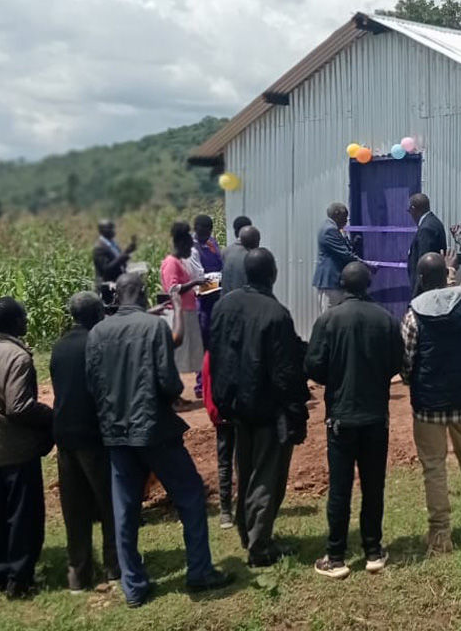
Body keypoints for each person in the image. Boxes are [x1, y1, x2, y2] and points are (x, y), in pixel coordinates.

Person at [85, 272, 233, 607]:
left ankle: (134, 586)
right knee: (190, 495)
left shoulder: (97, 333)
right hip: (153, 430)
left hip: (116, 433)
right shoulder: (152, 328)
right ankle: (199, 571)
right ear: (141, 295)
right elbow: (170, 384)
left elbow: (92, 387)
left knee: (125, 509)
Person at [210, 248, 310, 567]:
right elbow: (284, 372)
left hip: (235, 406)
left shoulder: (223, 306)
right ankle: (260, 547)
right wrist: (297, 410)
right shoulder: (275, 313)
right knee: (267, 476)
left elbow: (217, 353)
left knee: (245, 470)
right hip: (267, 408)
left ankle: (246, 531)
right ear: (272, 274)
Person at [306, 262, 404, 579]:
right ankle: (373, 551)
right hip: (376, 417)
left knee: (340, 488)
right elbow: (396, 364)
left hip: (341, 418)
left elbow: (314, 367)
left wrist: (337, 376)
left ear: (342, 285)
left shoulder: (328, 320)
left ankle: (336, 557)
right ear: (368, 285)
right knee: (374, 486)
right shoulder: (387, 320)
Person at [400, 253, 461, 554]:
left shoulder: (413, 316)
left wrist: (409, 380)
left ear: (422, 280)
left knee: (434, 466)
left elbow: (406, 362)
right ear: (446, 275)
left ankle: (440, 535)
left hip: (428, 402)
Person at [0, 298, 53, 599]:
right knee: (23, 516)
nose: (26, 319)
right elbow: (18, 407)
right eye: (23, 316)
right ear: (16, 321)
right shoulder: (18, 357)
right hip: (17, 449)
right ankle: (20, 579)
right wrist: (51, 416)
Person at [49, 292, 120, 592]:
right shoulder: (98, 344)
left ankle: (78, 574)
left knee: (75, 509)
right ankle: (114, 568)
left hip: (64, 437)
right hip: (94, 436)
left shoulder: (59, 346)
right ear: (97, 314)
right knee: (109, 504)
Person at [160, 220, 204, 380]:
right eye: (188, 246)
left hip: (187, 312)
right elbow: (173, 290)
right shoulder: (171, 263)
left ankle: (176, 392)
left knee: (185, 354)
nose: (190, 250)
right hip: (179, 315)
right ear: (180, 243)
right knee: (177, 356)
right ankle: (174, 395)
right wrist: (195, 283)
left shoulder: (180, 262)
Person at [189, 214, 224, 399]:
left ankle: (213, 382)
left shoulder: (211, 242)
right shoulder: (191, 247)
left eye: (208, 232)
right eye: (202, 231)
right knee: (203, 344)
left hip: (215, 297)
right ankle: (201, 385)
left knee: (215, 342)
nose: (206, 235)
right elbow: (196, 275)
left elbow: (220, 263)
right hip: (202, 300)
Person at [201, 348, 236, 529]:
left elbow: (206, 387)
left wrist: (214, 413)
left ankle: (226, 511)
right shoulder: (240, 346)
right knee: (237, 462)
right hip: (237, 415)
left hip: (225, 416)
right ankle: (228, 510)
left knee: (226, 463)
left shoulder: (212, 352)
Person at [311, 202, 360, 312]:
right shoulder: (330, 230)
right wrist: (367, 265)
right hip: (330, 282)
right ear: (337, 214)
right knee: (330, 315)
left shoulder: (335, 229)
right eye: (344, 217)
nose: (346, 220)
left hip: (335, 284)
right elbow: (344, 253)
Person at [406, 193, 447, 296]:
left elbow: (424, 266)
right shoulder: (433, 222)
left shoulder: (426, 229)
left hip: (426, 291)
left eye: (409, 211)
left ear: (414, 209)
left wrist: (416, 295)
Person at [93, 220, 137, 293]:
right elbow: (105, 269)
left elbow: (116, 258)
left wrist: (129, 250)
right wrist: (122, 258)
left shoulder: (112, 243)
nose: (113, 230)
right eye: (110, 228)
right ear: (102, 230)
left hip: (116, 283)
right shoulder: (99, 247)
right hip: (107, 287)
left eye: (113, 228)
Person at [222, 224, 261, 294]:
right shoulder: (251, 259)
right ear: (255, 242)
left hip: (226, 300)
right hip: (242, 301)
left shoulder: (228, 253)